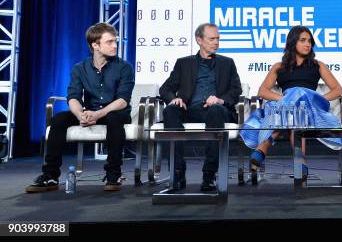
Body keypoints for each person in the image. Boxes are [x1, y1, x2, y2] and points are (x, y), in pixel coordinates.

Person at [26, 23, 135, 193]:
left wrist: (98, 114)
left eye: (115, 41)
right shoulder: (80, 68)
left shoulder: (124, 67)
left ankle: (113, 173)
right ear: (95, 45)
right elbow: (73, 97)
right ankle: (50, 175)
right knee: (59, 119)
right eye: (110, 42)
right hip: (89, 111)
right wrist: (80, 115)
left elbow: (123, 100)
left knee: (114, 119)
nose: (115, 45)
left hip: (114, 112)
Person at [241, 25, 342, 178]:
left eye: (309, 41)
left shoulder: (318, 65)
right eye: (303, 40)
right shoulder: (279, 67)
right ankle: (300, 161)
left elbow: (337, 89)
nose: (307, 44)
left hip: (309, 108)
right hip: (287, 109)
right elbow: (263, 91)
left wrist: (315, 100)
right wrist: (284, 99)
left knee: (297, 101)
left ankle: (261, 151)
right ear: (293, 42)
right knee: (291, 110)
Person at [159, 23, 242, 192]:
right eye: (212, 39)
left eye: (218, 38)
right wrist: (174, 99)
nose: (216, 42)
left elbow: (236, 90)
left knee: (216, 111)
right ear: (199, 40)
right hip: (189, 109)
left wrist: (220, 100)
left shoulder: (227, 63)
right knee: (170, 111)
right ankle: (177, 172)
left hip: (215, 110)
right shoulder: (184, 63)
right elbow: (165, 89)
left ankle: (209, 174)